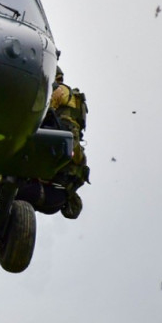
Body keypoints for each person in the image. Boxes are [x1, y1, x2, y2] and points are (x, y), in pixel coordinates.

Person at [48, 66, 89, 218]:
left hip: (59, 138)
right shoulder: (74, 97)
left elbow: (43, 109)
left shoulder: (60, 91)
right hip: (70, 141)